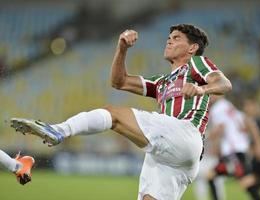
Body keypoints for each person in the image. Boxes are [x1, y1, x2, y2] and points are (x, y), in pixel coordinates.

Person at [10, 24, 232, 200]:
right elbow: (119, 82)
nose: (169, 40)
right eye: (169, 37)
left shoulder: (196, 63)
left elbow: (224, 83)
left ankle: (58, 130)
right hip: (171, 156)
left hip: (185, 134)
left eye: (176, 38)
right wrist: (122, 48)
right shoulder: (163, 82)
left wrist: (201, 88)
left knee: (113, 114)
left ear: (192, 48)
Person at [206, 95, 260, 200]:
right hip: (238, 152)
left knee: (246, 182)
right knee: (245, 182)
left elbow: (220, 128)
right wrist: (258, 144)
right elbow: (249, 123)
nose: (210, 96)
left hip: (232, 153)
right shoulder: (229, 106)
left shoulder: (217, 109)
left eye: (213, 94)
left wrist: (209, 137)